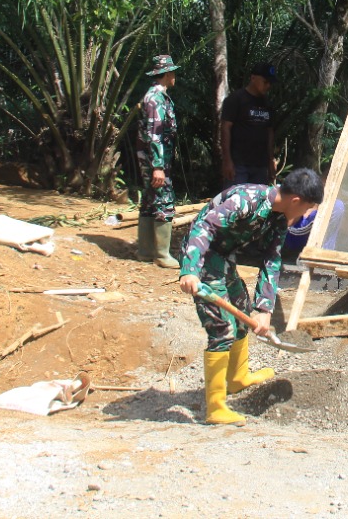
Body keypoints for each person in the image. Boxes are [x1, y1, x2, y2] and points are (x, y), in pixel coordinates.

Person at [178, 168, 323, 425]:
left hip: (223, 259)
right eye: (308, 208)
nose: (307, 214)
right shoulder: (247, 200)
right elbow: (205, 225)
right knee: (222, 326)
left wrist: (264, 310)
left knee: (243, 311)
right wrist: (190, 270)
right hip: (202, 257)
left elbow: (272, 260)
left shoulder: (278, 219)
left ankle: (237, 377)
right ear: (296, 201)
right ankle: (215, 408)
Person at [136, 54, 181, 269]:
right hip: (155, 161)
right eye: (173, 72)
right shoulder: (155, 99)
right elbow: (155, 134)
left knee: (149, 200)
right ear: (167, 74)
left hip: (154, 160)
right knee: (163, 200)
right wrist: (158, 167)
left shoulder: (157, 96)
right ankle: (162, 254)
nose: (175, 76)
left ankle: (145, 251)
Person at [220, 62, 277, 188]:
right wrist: (227, 160)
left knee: (257, 204)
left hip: (260, 166)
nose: (268, 86)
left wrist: (270, 159)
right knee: (236, 203)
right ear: (253, 78)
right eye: (265, 81)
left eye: (270, 83)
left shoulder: (268, 104)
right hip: (238, 165)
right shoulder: (235, 99)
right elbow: (225, 128)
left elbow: (269, 132)